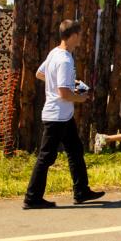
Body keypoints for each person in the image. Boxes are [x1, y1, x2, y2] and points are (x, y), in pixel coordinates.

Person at [23, 20, 105, 210]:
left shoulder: (54, 53)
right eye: (80, 34)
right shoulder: (65, 60)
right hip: (57, 115)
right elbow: (63, 93)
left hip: (62, 115)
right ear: (73, 35)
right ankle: (32, 197)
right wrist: (80, 98)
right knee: (46, 156)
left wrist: (67, 82)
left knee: (75, 150)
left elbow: (39, 73)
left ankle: (81, 191)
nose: (82, 38)